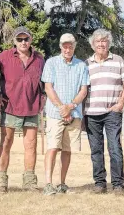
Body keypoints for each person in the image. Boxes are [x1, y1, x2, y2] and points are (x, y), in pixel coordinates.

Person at [0, 26, 45, 192]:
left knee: (31, 145)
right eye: (20, 39)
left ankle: (30, 183)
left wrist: (43, 97)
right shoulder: (4, 56)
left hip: (32, 107)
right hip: (10, 107)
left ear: (31, 40)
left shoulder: (39, 59)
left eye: (26, 39)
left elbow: (46, 81)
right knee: (6, 143)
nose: (23, 42)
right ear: (14, 41)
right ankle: (1, 182)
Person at [41, 33, 90, 195]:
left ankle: (62, 184)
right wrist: (62, 107)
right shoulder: (51, 62)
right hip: (56, 113)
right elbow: (48, 87)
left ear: (74, 47)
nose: (67, 49)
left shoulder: (81, 65)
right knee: (53, 147)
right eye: (64, 46)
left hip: (74, 114)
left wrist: (71, 106)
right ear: (60, 46)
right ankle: (48, 184)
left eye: (70, 46)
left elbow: (84, 90)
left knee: (67, 150)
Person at [84, 29, 124, 195]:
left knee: (115, 148)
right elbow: (83, 88)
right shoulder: (87, 63)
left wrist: (120, 104)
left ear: (109, 43)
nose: (101, 44)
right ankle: (100, 183)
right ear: (93, 45)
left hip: (112, 112)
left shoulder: (118, 60)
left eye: (104, 41)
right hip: (91, 113)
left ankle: (118, 184)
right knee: (96, 150)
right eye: (98, 42)